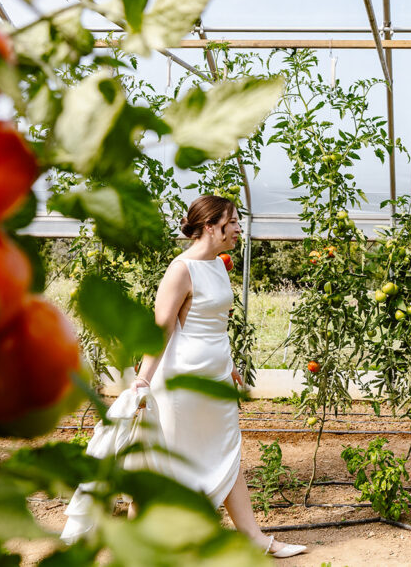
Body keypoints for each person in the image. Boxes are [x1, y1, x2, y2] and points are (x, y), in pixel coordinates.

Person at [132, 195, 306, 558]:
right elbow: (161, 329)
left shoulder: (217, 264)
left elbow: (214, 324)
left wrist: (228, 365)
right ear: (210, 225)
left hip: (216, 379)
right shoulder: (180, 269)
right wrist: (143, 379)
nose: (239, 228)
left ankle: (256, 538)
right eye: (233, 222)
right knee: (168, 460)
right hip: (184, 382)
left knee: (226, 454)